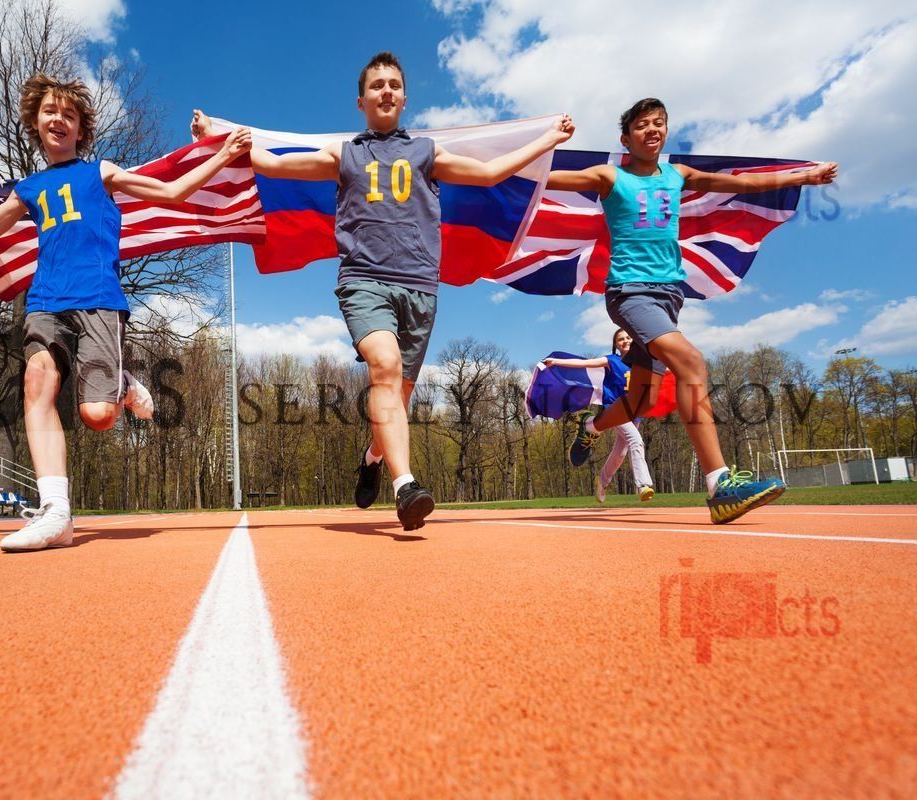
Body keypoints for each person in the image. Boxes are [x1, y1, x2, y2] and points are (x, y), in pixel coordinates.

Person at [192, 51, 574, 530]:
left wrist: (547, 140)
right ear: (361, 101)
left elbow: (490, 173)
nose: (386, 91)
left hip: (419, 287)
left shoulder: (427, 153)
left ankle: (373, 458)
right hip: (363, 280)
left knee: (397, 395)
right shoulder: (344, 154)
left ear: (405, 98)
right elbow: (271, 162)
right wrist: (215, 137)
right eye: (377, 85)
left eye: (394, 84)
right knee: (385, 368)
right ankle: (406, 486)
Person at [0, 74, 251, 551]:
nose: (58, 119)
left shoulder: (101, 172)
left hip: (98, 298)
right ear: (36, 123)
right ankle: (56, 512)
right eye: (50, 112)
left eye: (69, 114)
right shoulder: (27, 188)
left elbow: (172, 193)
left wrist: (221, 156)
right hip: (45, 301)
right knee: (36, 383)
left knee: (97, 415)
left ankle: (121, 385)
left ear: (81, 129)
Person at [545, 97, 836, 523]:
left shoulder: (677, 174)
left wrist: (804, 177)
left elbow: (738, 184)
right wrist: (520, 153)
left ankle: (590, 428)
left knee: (642, 400)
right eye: (642, 125)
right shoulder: (609, 176)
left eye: (659, 123)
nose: (652, 130)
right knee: (692, 363)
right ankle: (720, 485)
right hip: (630, 293)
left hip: (668, 296)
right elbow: (543, 179)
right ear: (625, 139)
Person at [542, 329, 654, 504]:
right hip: (617, 410)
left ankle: (602, 482)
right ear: (616, 345)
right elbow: (585, 363)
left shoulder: (642, 362)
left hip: (635, 412)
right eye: (620, 339)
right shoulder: (612, 361)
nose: (625, 341)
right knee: (636, 440)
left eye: (628, 337)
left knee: (620, 453)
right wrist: (557, 361)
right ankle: (643, 485)